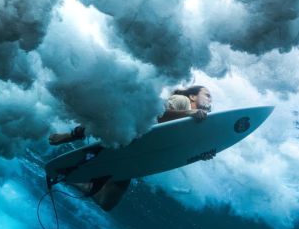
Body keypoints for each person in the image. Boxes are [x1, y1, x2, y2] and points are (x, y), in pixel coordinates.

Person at [47, 85, 213, 211]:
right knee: (112, 123)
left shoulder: (197, 124)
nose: (210, 100)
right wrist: (188, 113)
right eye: (207, 95)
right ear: (192, 96)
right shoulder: (183, 102)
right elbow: (156, 114)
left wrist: (199, 154)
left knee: (107, 204)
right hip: (131, 134)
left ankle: (84, 184)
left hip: (135, 155)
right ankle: (70, 135)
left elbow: (177, 148)